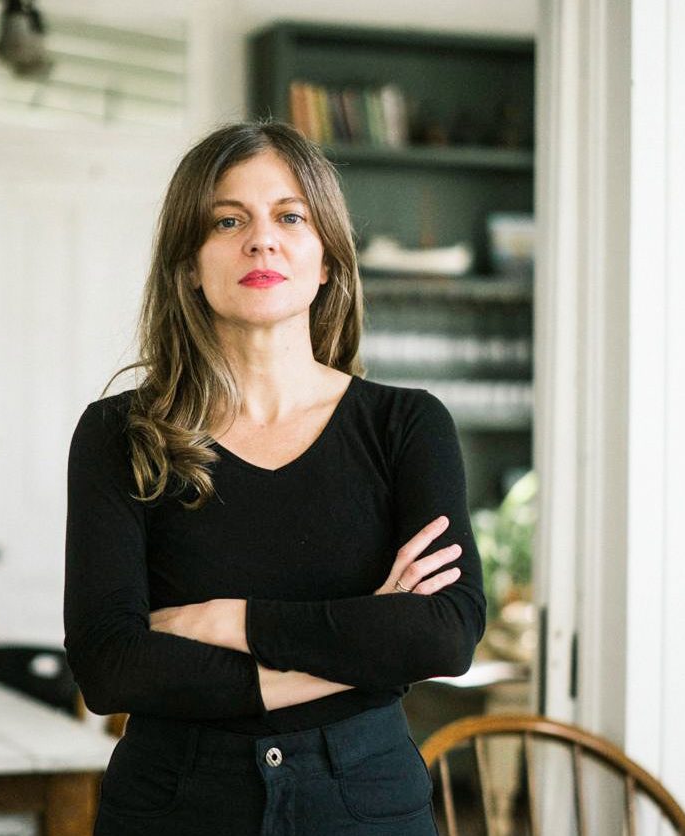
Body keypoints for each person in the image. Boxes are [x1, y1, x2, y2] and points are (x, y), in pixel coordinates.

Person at [63, 121, 485, 836]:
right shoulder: (119, 433)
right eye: (228, 220)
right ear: (188, 265)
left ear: (325, 260)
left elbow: (441, 636)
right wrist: (359, 644)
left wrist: (229, 621)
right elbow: (111, 668)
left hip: (364, 801)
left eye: (289, 216)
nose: (262, 240)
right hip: (175, 803)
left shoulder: (406, 426)